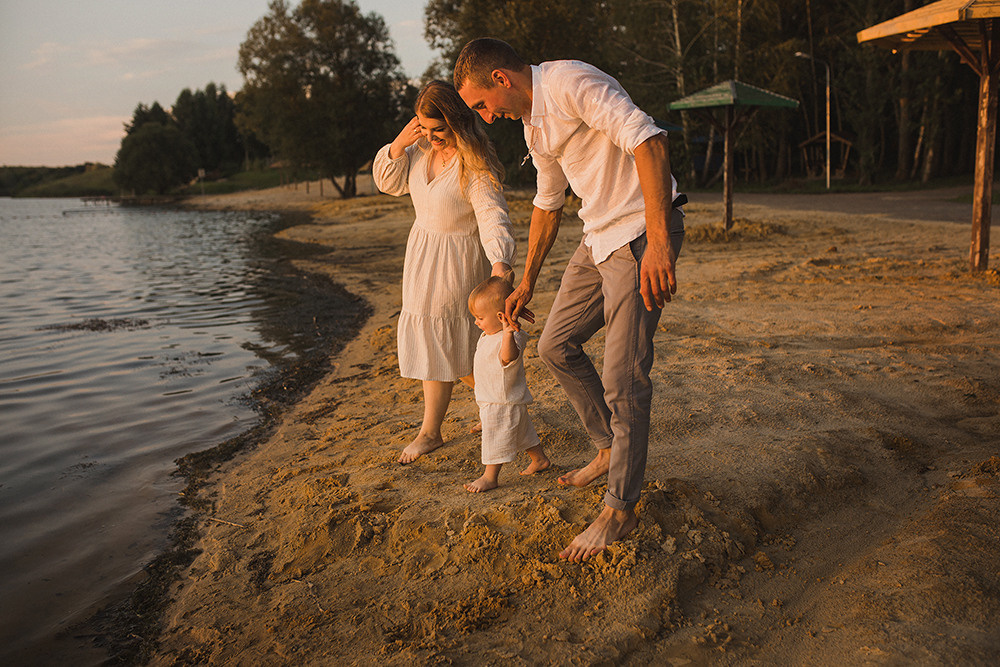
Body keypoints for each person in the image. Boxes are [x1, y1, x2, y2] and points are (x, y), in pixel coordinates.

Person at [455, 39, 685, 561]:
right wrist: (526, 282)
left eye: (481, 105)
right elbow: (548, 203)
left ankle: (619, 509)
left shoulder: (571, 83)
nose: (486, 118)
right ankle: (608, 447)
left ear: (501, 79)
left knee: (624, 380)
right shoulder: (534, 125)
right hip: (598, 236)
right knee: (554, 345)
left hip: (639, 233)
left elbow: (647, 141)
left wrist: (659, 241)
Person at [373, 80, 516, 464]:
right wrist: (401, 142)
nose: (433, 136)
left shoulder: (473, 162)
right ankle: (498, 408)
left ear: (457, 122)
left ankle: (430, 432)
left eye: (439, 129)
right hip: (422, 253)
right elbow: (388, 183)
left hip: (457, 260)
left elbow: (492, 215)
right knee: (461, 349)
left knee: (444, 342)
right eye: (425, 127)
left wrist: (501, 263)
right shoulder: (419, 151)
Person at [464, 277, 550, 493]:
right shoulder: (488, 334)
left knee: (495, 438)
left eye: (480, 318)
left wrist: (508, 334)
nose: (477, 322)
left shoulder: (512, 337)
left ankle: (490, 476)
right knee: (523, 433)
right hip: (496, 398)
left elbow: (507, 358)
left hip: (501, 401)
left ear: (501, 316)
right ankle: (539, 459)